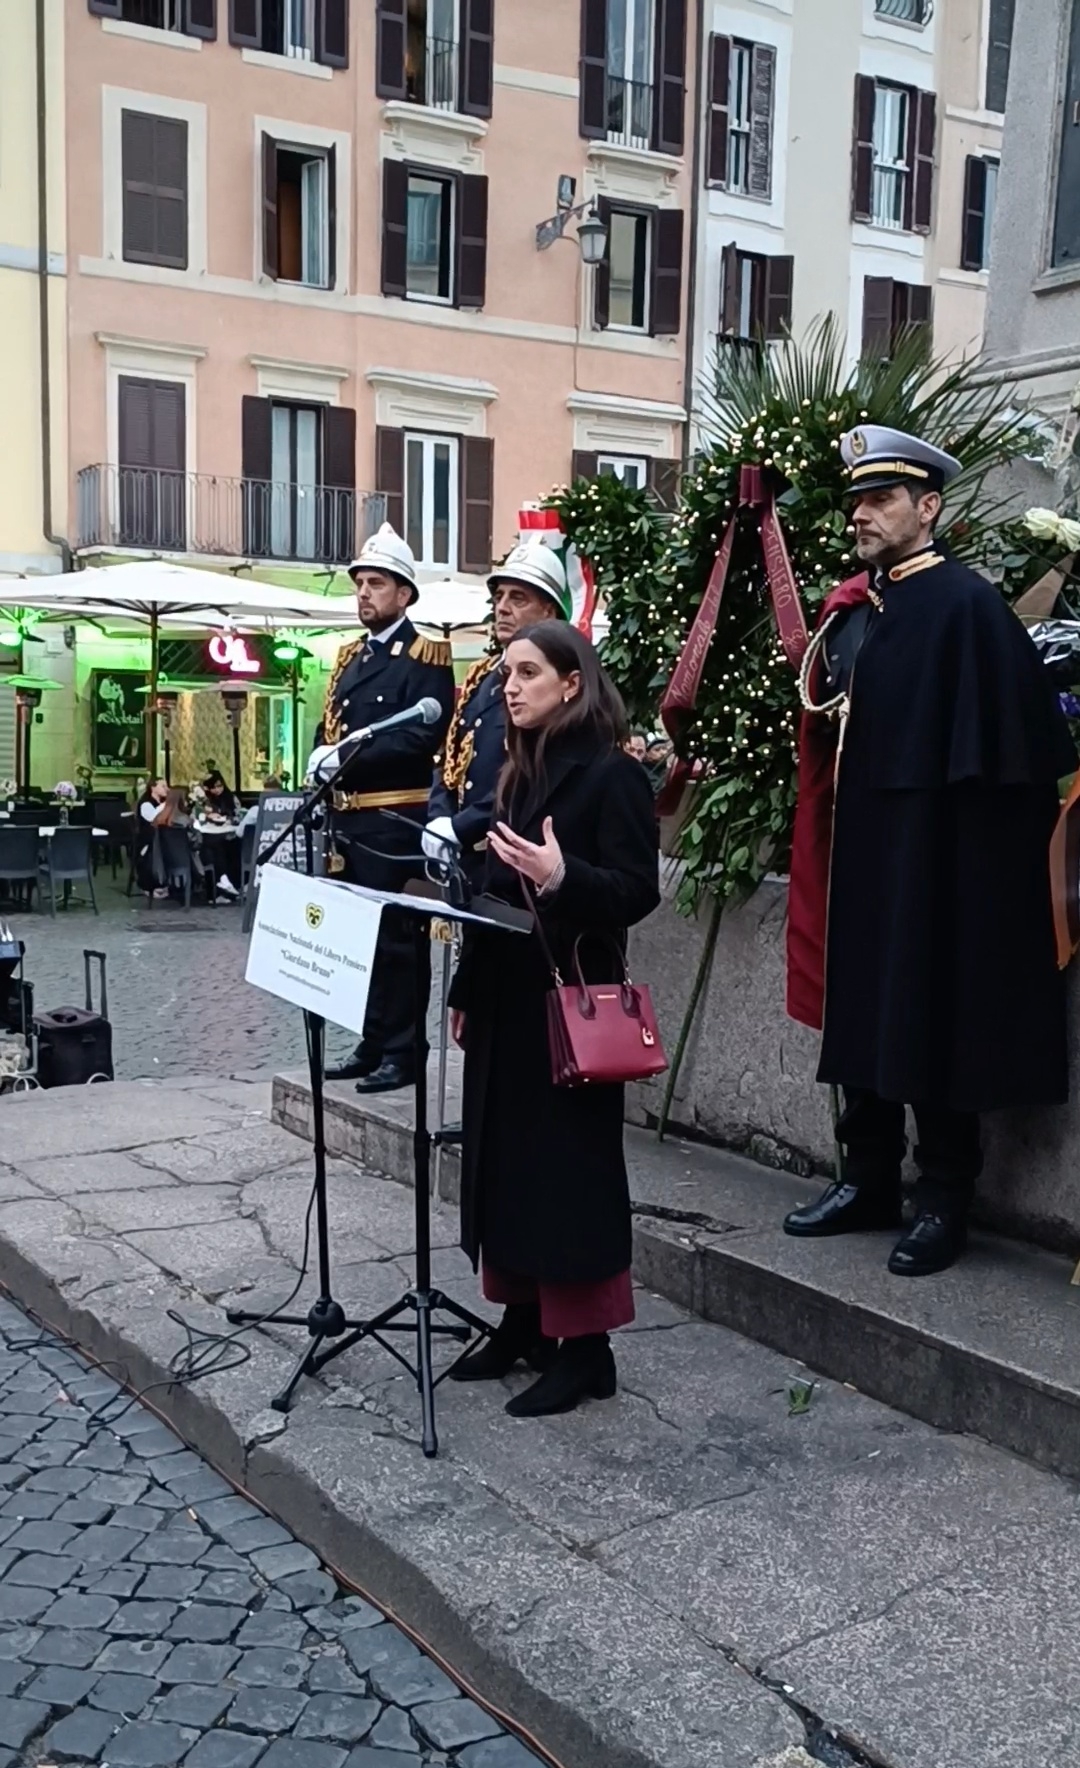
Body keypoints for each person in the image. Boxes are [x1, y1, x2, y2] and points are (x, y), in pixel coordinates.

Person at [785, 425, 1077, 1277]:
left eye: (880, 499)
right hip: (867, 849)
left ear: (930, 507)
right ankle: (867, 1175)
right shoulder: (859, 608)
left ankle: (943, 1194)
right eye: (857, 502)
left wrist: (969, 870)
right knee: (864, 1007)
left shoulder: (968, 607)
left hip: (941, 860)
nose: (861, 514)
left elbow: (1013, 763)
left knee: (933, 1013)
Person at [446, 623, 660, 1417]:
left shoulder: (612, 776)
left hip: (570, 1003)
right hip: (504, 998)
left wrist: (564, 874)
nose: (512, 686)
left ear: (572, 683)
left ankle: (587, 1350)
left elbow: (637, 889)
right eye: (508, 674)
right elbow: (495, 895)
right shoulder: (515, 773)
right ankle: (523, 1319)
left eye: (529, 673)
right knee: (504, 1164)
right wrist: (466, 986)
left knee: (568, 1174)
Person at [311, 524, 455, 1093]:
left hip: (394, 819)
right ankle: (372, 1040)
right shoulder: (349, 657)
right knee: (357, 939)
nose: (364, 593)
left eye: (377, 584)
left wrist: (343, 761)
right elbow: (332, 727)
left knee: (398, 940)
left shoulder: (424, 655)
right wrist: (320, 761)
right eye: (360, 583)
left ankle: (403, 1049)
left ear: (405, 594)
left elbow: (423, 737)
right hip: (346, 821)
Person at [424, 539, 572, 890]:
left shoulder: (557, 686)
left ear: (549, 612)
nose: (502, 608)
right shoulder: (480, 677)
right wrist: (439, 817)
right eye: (499, 597)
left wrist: (462, 827)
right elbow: (448, 760)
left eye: (518, 598)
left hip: (514, 863)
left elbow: (533, 772)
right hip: (465, 859)